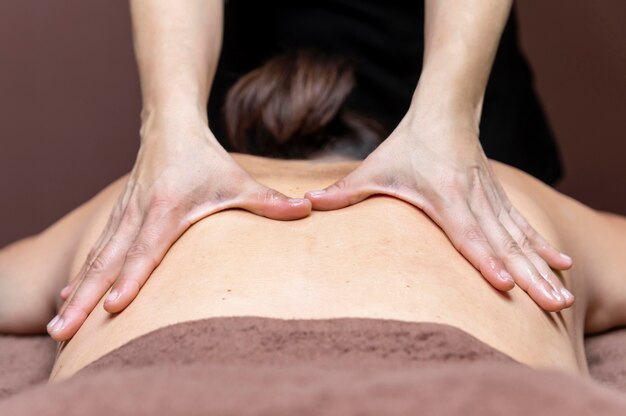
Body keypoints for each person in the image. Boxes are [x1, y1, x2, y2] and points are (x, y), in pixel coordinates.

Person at [0, 53, 623, 382]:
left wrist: (166, 125)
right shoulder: (500, 200)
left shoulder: (142, 204)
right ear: (383, 144)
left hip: (145, 384)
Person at [48, 0, 575, 341]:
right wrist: (171, 127)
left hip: (449, 95)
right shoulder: (529, 206)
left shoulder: (122, 222)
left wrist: (451, 111)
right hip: (228, 112)